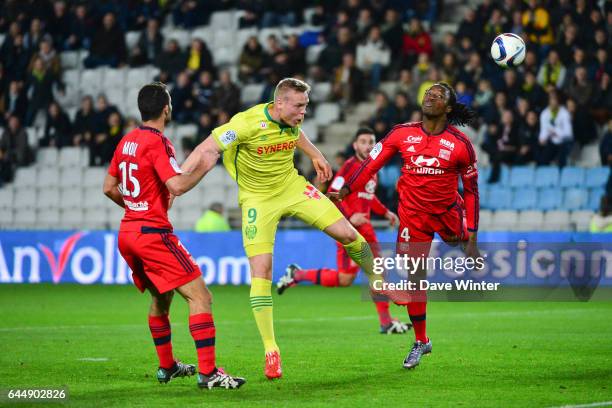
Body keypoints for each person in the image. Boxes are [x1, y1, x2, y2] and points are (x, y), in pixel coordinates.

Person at [193, 78, 378, 379]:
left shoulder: (290, 120)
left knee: (346, 233)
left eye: (306, 106)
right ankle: (271, 350)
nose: (303, 112)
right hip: (257, 200)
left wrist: (315, 154)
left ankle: (377, 280)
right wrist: (177, 180)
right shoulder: (246, 124)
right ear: (279, 103)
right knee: (262, 271)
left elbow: (296, 133)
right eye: (299, 106)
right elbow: (207, 147)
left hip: (292, 187)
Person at [102, 82, 245, 389]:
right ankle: (208, 373)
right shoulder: (158, 142)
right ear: (166, 109)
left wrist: (137, 206)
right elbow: (177, 186)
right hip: (153, 233)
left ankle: (167, 367)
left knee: (161, 297)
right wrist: (205, 165)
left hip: (128, 232)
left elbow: (108, 187)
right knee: (201, 297)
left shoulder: (126, 140)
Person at [332, 82, 481, 369]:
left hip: (448, 212)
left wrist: (472, 237)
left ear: (448, 108)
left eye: (437, 96)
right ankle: (421, 341)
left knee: (458, 242)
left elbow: (472, 191)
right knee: (415, 278)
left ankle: (465, 241)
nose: (429, 97)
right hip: (413, 217)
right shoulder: (402, 133)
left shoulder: (461, 145)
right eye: (427, 94)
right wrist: (347, 189)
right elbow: (370, 165)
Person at [277, 127, 410, 335]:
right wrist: (349, 218)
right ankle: (298, 273)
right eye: (363, 142)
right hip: (348, 230)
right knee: (345, 279)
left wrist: (385, 213)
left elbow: (368, 196)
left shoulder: (372, 169)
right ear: (355, 145)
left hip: (366, 229)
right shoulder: (349, 168)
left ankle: (386, 322)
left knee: (379, 272)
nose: (368, 145)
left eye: (371, 142)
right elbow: (332, 195)